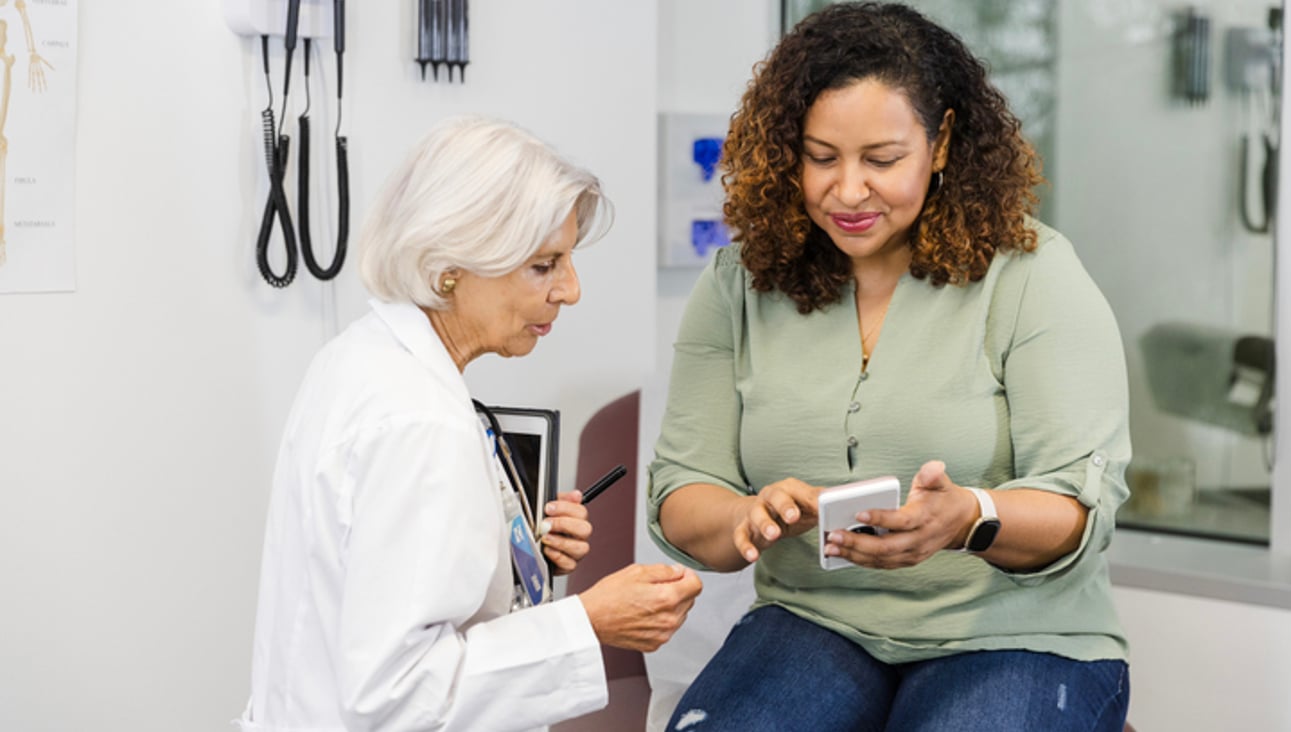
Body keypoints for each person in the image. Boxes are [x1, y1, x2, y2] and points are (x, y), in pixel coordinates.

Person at [647, 3, 1131, 730]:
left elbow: (1077, 510)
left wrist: (970, 517)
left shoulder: (1032, 275)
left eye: (881, 160)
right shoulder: (738, 285)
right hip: (815, 622)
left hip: (1015, 633)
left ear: (940, 146)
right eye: (820, 157)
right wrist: (745, 517)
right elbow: (684, 490)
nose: (846, 191)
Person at [237, 115, 702, 732]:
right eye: (545, 265)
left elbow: (376, 591)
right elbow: (396, 697)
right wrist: (588, 623)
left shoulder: (361, 358)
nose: (571, 290)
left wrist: (512, 557)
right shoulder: (419, 421)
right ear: (450, 266)